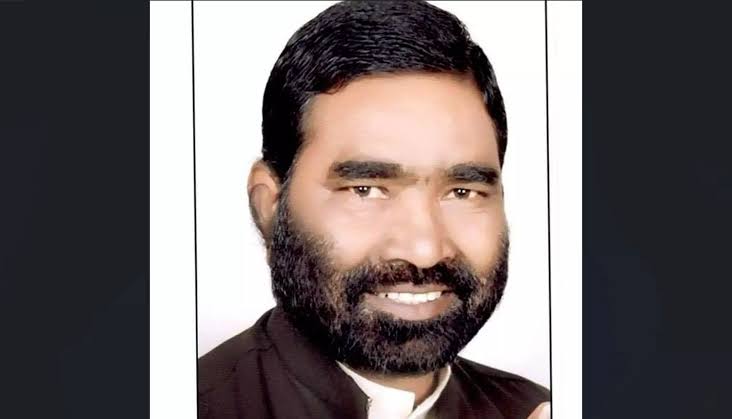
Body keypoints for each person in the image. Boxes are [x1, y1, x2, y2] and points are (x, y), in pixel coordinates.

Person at [197, 1, 550, 418]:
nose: (424, 251)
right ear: (269, 206)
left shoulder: (534, 407)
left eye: (462, 192)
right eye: (365, 190)